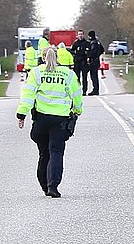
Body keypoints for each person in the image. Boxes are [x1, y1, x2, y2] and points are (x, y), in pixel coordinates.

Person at [17, 43, 84, 197]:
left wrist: (21, 115)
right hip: (60, 121)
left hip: (41, 120)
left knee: (43, 154)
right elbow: (77, 96)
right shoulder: (68, 74)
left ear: (42, 57)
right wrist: (78, 111)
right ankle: (53, 186)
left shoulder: (36, 73)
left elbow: (27, 96)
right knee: (56, 152)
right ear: (58, 57)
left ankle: (44, 186)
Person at [75, 29, 104, 95]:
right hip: (82, 62)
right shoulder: (97, 42)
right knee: (92, 76)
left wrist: (90, 57)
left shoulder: (92, 43)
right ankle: (95, 90)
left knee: (92, 76)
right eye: (79, 34)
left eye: (81, 34)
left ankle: (94, 90)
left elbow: (92, 52)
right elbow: (102, 50)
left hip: (91, 62)